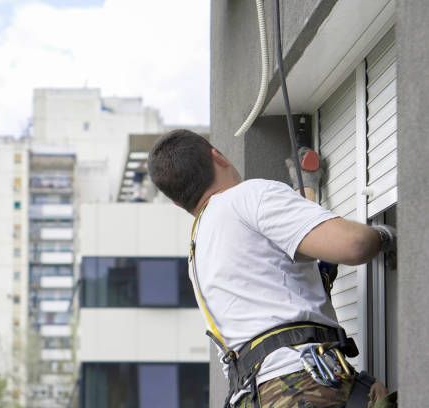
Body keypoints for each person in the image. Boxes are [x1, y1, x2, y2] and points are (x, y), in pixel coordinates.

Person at [147, 129, 396, 408]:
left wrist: (308, 191)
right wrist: (389, 234)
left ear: (177, 202)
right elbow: (354, 244)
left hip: (255, 396)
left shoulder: (198, 252)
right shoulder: (248, 196)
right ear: (216, 155)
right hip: (298, 385)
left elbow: (288, 273)